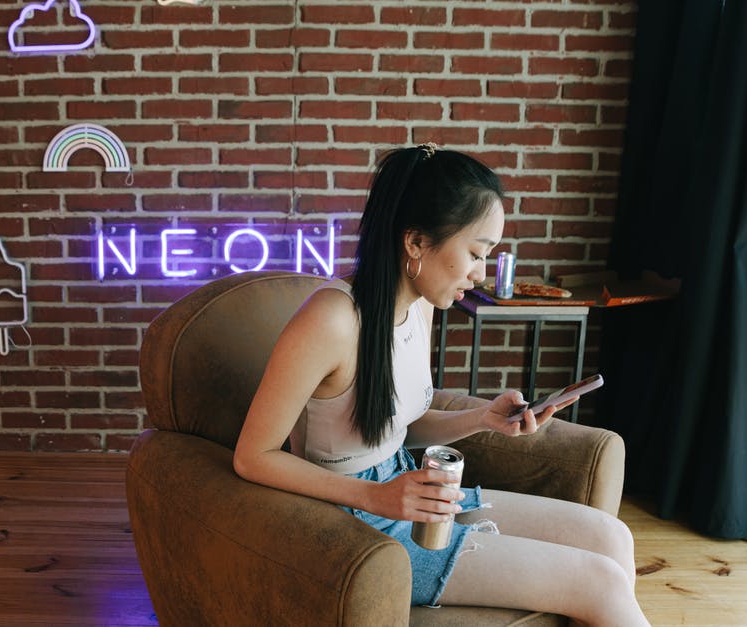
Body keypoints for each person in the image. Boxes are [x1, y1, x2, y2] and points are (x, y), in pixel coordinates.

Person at [233, 144, 649, 626]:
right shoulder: (332, 320)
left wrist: (484, 419)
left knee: (612, 538)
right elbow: (252, 455)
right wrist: (377, 497)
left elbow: (392, 427)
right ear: (415, 242)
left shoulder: (420, 306)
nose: (480, 274)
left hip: (406, 486)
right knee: (599, 582)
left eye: (488, 255)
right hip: (353, 518)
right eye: (475, 253)